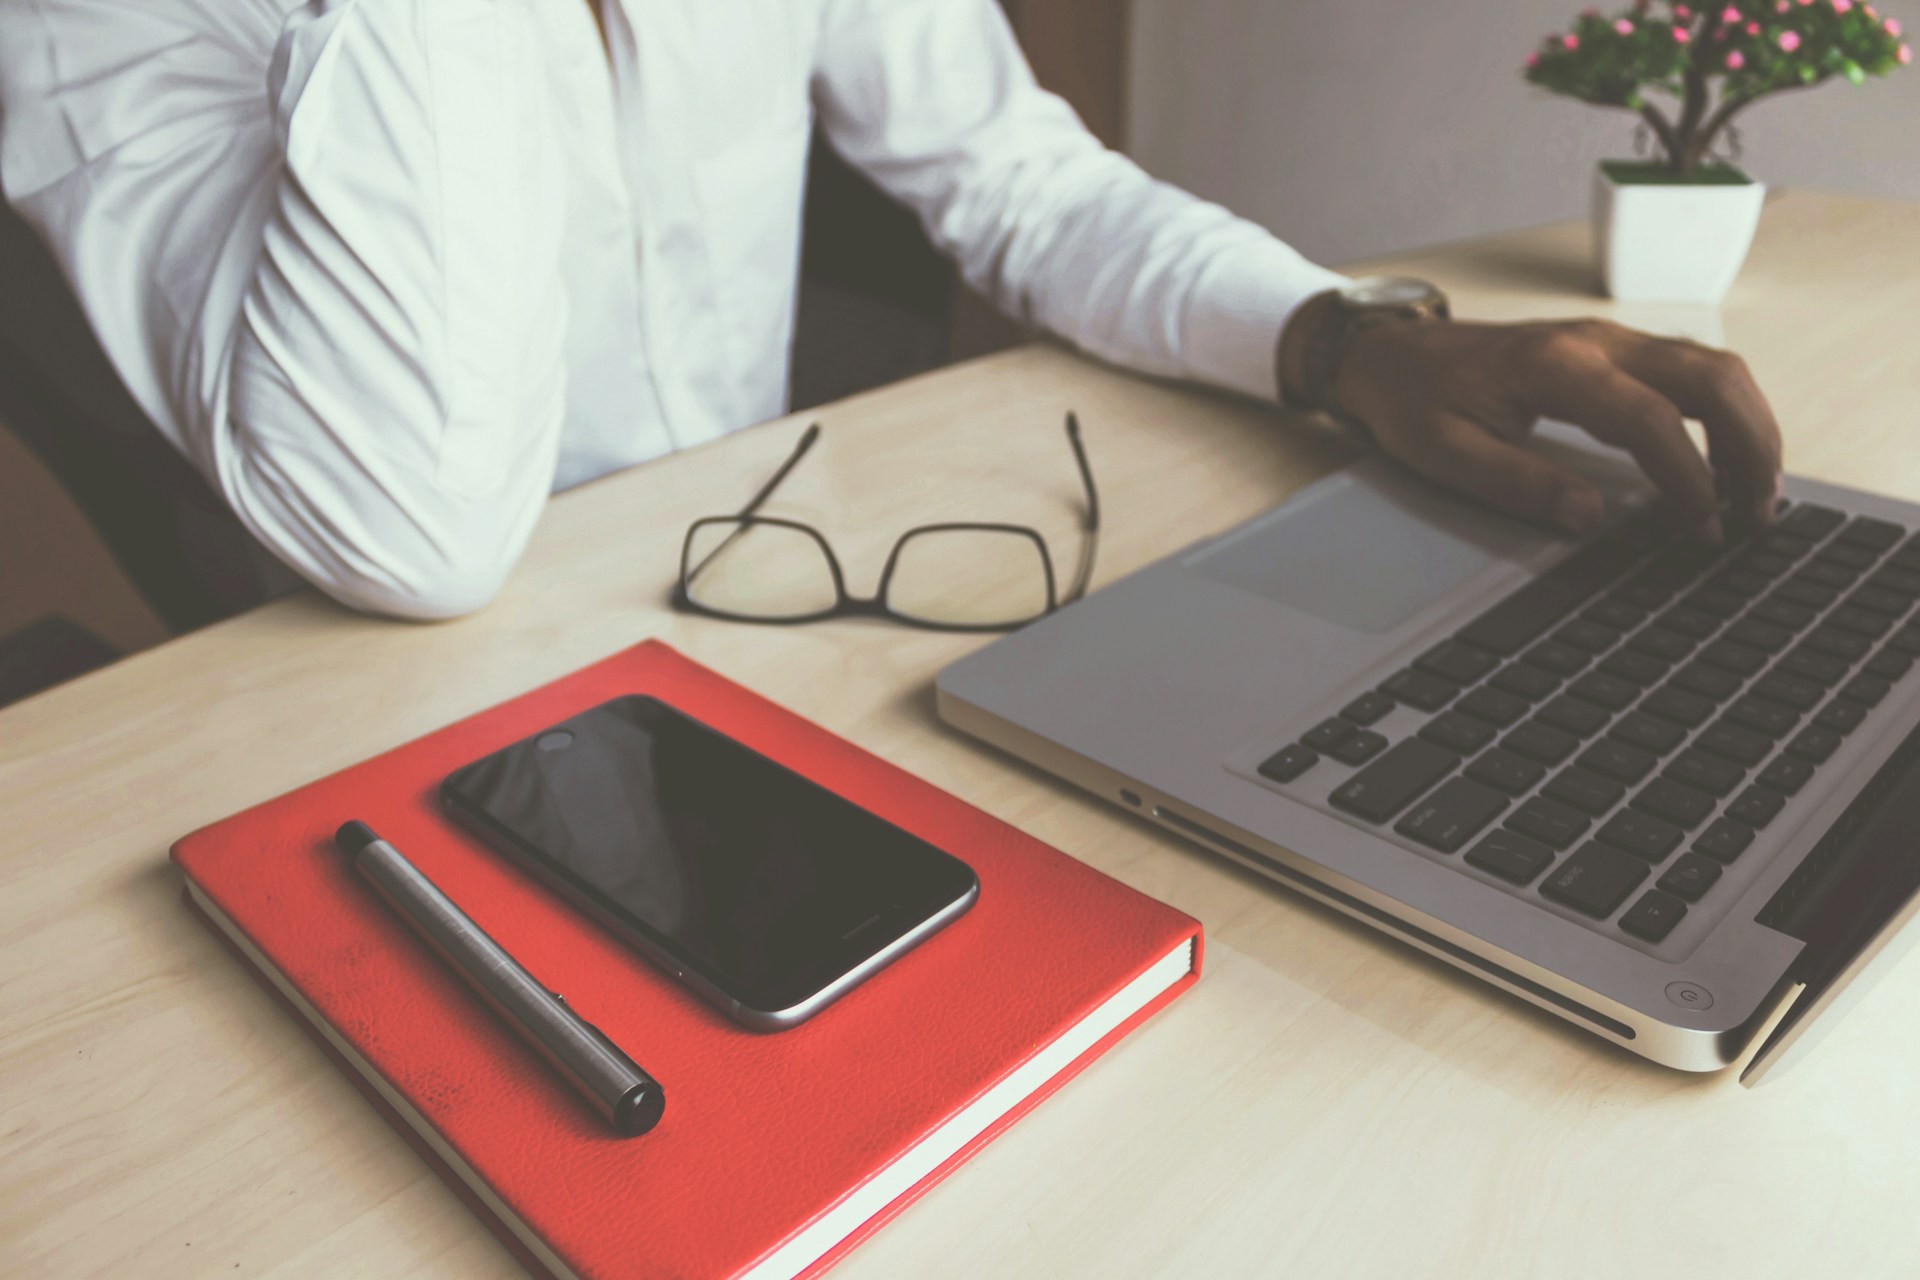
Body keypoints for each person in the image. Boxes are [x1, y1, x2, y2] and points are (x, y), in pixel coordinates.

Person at [0, 0, 1782, 621]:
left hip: (764, 601)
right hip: (379, 708)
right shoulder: (97, 19)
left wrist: (1340, 341)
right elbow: (409, 533)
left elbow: (1012, 172)